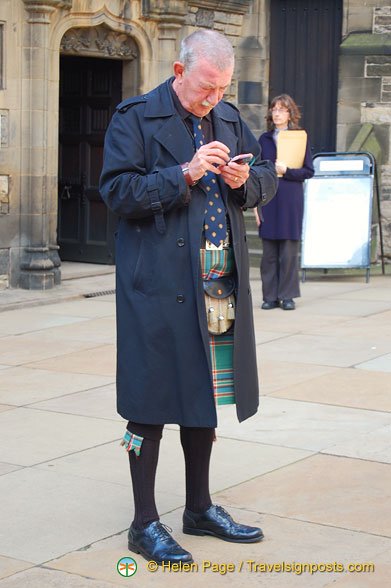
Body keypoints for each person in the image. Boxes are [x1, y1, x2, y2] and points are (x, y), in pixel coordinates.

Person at [99, 29, 277, 565]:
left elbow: (266, 176)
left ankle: (198, 509)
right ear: (180, 72)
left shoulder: (225, 116)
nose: (215, 98)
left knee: (203, 397)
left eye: (223, 88)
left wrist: (246, 181)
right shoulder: (134, 117)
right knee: (148, 405)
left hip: (216, 284)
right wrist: (184, 173)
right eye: (207, 87)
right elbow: (117, 191)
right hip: (156, 285)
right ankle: (143, 523)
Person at [256, 94, 314, 310]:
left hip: (290, 197)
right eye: (274, 109)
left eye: (282, 109)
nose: (277, 113)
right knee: (269, 252)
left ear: (290, 113)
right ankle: (269, 296)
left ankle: (287, 296)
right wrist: (255, 204)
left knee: (288, 251)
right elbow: (256, 169)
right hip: (269, 198)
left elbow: (309, 171)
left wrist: (286, 171)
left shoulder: (300, 138)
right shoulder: (263, 139)